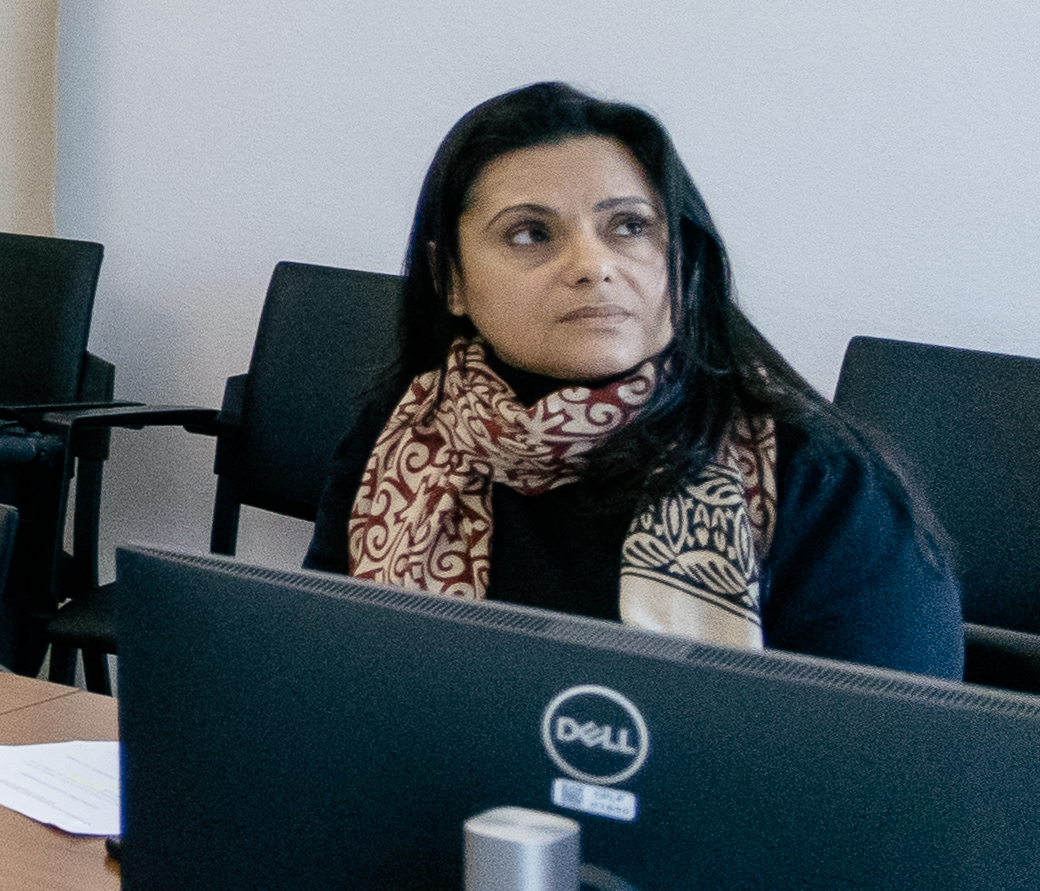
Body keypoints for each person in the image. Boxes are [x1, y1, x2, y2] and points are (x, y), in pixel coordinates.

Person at [312, 82, 958, 672]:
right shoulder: (402, 429)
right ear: (449, 277)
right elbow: (321, 667)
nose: (593, 264)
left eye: (630, 225)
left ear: (681, 254)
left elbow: (894, 762)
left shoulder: (819, 478)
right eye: (531, 233)